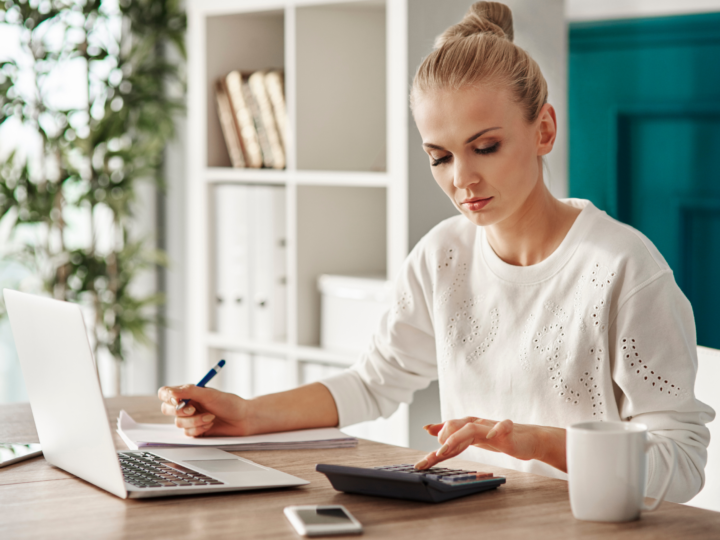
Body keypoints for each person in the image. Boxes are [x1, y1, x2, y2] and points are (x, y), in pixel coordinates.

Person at [158, 2, 714, 503]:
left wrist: (534, 442)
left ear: (543, 129)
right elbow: (375, 381)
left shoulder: (623, 270)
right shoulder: (442, 256)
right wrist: (248, 414)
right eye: (439, 157)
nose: (463, 179)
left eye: (486, 147)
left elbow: (682, 465)